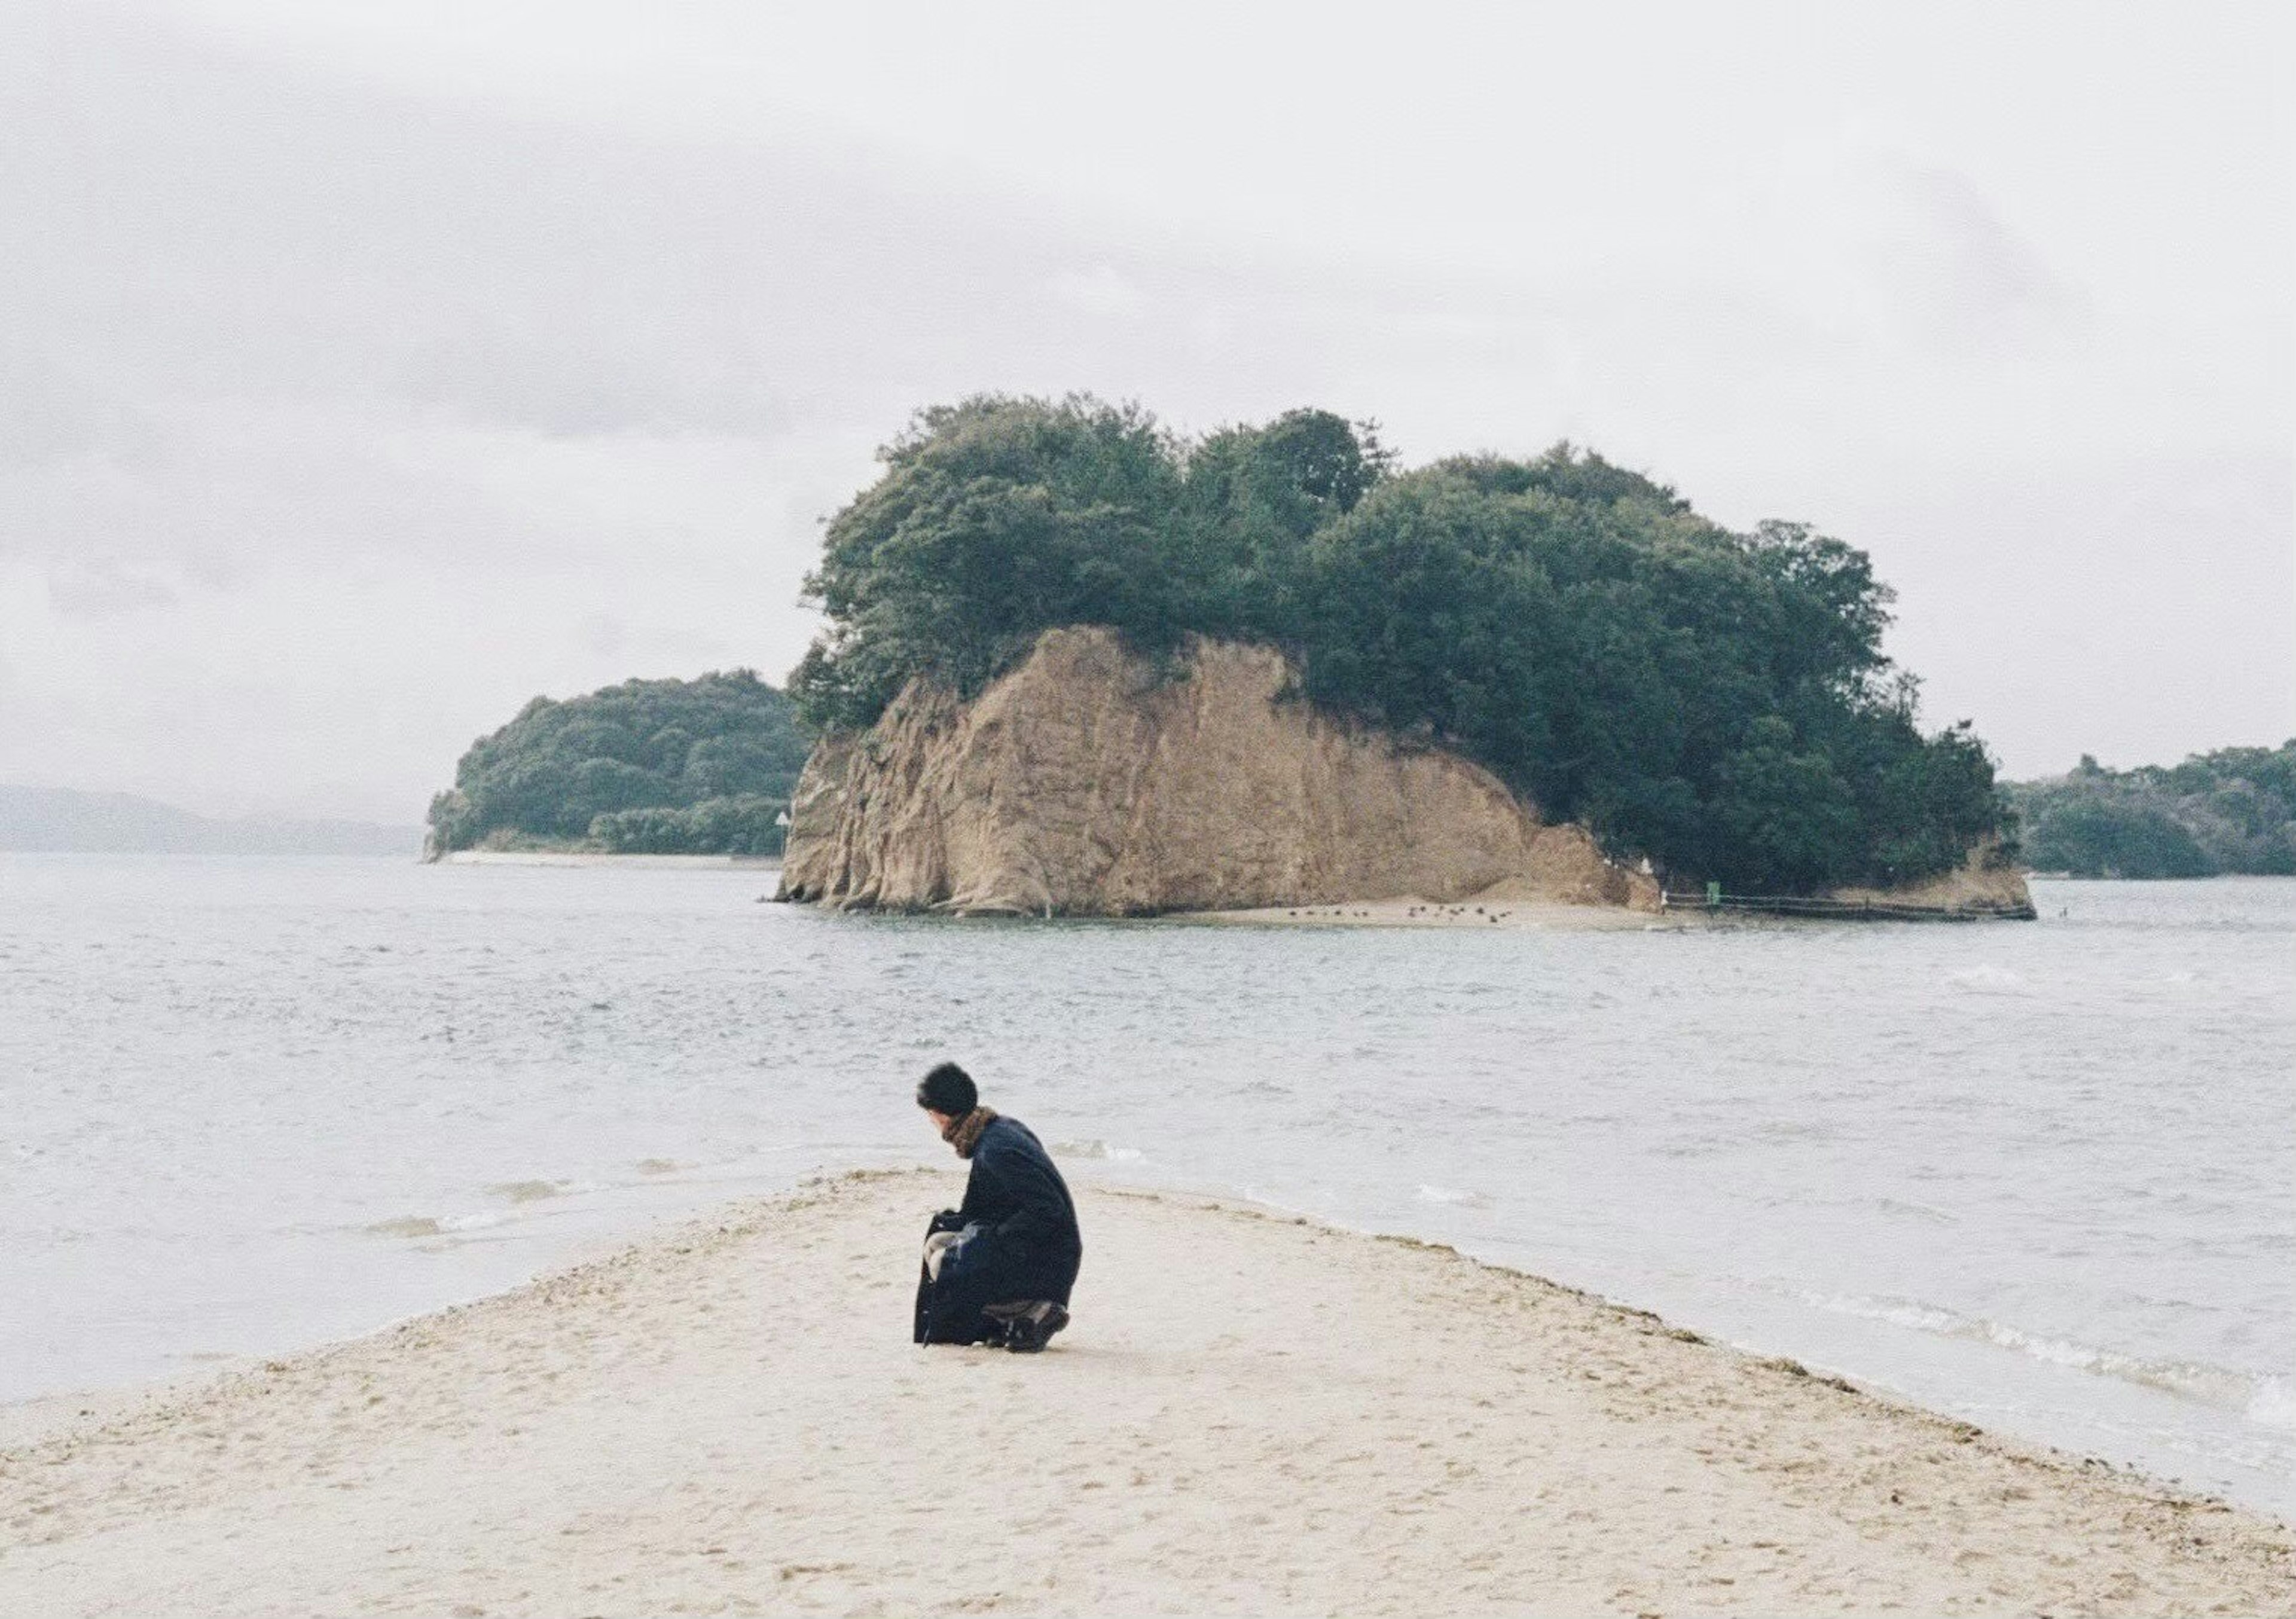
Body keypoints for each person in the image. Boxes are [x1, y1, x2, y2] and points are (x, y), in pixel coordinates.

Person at [911, 1061, 1081, 1352]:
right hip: (1040, 1249)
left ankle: (1036, 1311)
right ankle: (1008, 1319)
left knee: (945, 1260)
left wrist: (985, 1240)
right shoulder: (997, 1130)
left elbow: (1047, 1212)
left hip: (1049, 1261)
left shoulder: (995, 1150)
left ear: (939, 1115)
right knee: (937, 1242)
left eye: (930, 1115)